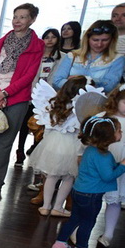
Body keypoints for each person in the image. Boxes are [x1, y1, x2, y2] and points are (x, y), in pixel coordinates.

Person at [0, 3, 44, 195]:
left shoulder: (37, 45)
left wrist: (6, 94)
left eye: (23, 17)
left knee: (5, 142)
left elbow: (29, 76)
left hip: (17, 98)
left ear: (32, 20)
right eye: (15, 16)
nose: (17, 20)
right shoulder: (1, 42)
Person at [50, 116, 125, 248]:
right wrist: (123, 166)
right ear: (108, 136)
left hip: (79, 191)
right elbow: (108, 176)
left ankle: (60, 244)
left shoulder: (91, 150)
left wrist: (120, 163)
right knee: (88, 222)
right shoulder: (103, 155)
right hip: (91, 195)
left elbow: (101, 169)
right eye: (119, 130)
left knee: (75, 219)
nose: (121, 133)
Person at [30, 76, 89, 217]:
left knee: (51, 177)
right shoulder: (81, 110)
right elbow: (80, 132)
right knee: (68, 178)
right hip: (71, 147)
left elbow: (48, 127)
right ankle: (58, 207)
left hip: (52, 145)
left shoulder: (54, 104)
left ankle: (45, 206)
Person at [98, 83, 125, 246]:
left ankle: (108, 234)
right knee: (95, 196)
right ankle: (82, 229)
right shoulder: (104, 116)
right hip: (106, 159)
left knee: (114, 199)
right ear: (117, 100)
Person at [50, 20, 125, 94]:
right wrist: (93, 82)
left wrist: (75, 81)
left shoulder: (117, 58)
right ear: (87, 39)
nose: (99, 44)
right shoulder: (72, 55)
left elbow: (109, 87)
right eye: (95, 40)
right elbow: (56, 82)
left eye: (105, 40)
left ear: (112, 40)